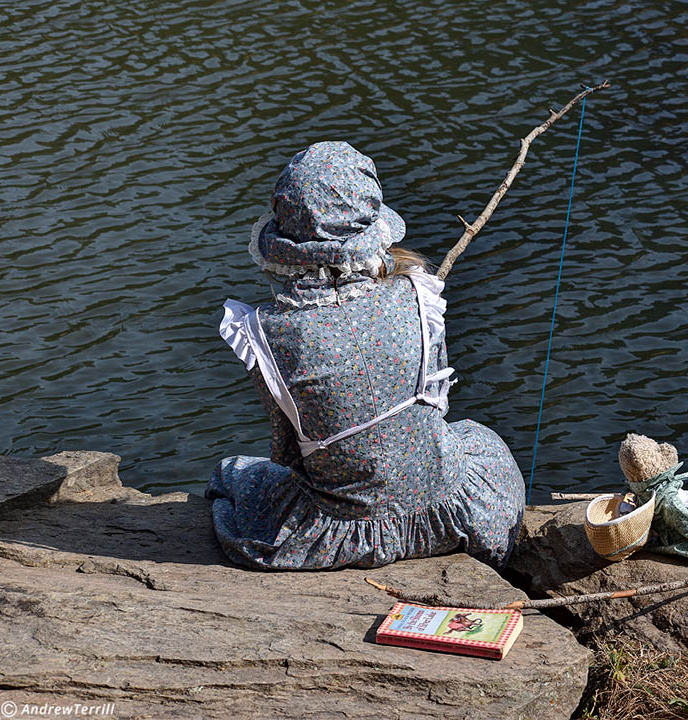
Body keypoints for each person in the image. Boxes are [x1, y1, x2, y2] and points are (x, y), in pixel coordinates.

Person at [206, 141, 525, 571]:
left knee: (232, 474)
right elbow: (436, 404)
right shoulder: (418, 292)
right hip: (450, 506)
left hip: (347, 526)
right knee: (472, 437)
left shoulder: (265, 332)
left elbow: (286, 452)